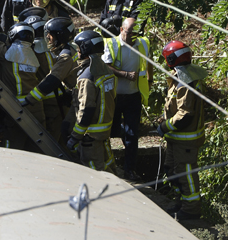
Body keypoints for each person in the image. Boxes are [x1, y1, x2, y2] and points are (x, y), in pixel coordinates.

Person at [157, 41, 207, 220]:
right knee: (172, 170)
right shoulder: (180, 76)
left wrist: (164, 126)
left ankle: (192, 210)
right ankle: (181, 201)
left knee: (186, 175)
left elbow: (185, 114)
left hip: (185, 139)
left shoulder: (185, 81)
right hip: (176, 138)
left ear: (172, 59)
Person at [102, 18, 152, 181]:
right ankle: (109, 166)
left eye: (134, 34)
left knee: (132, 135)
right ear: (121, 30)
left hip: (133, 96)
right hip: (115, 96)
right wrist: (124, 74)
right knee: (114, 131)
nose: (132, 37)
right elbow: (105, 66)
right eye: (129, 33)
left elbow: (149, 63)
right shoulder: (112, 44)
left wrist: (149, 81)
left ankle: (130, 170)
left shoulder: (142, 44)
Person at [66, 30, 117, 172]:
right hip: (104, 131)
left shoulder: (87, 77)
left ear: (85, 48)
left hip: (90, 136)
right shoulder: (106, 70)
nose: (77, 51)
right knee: (109, 166)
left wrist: (75, 137)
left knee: (95, 172)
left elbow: (86, 109)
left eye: (78, 48)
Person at [23, 17, 79, 107]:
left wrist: (29, 99)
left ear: (60, 36)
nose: (48, 37)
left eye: (50, 34)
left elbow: (52, 79)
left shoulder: (66, 56)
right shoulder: (73, 48)